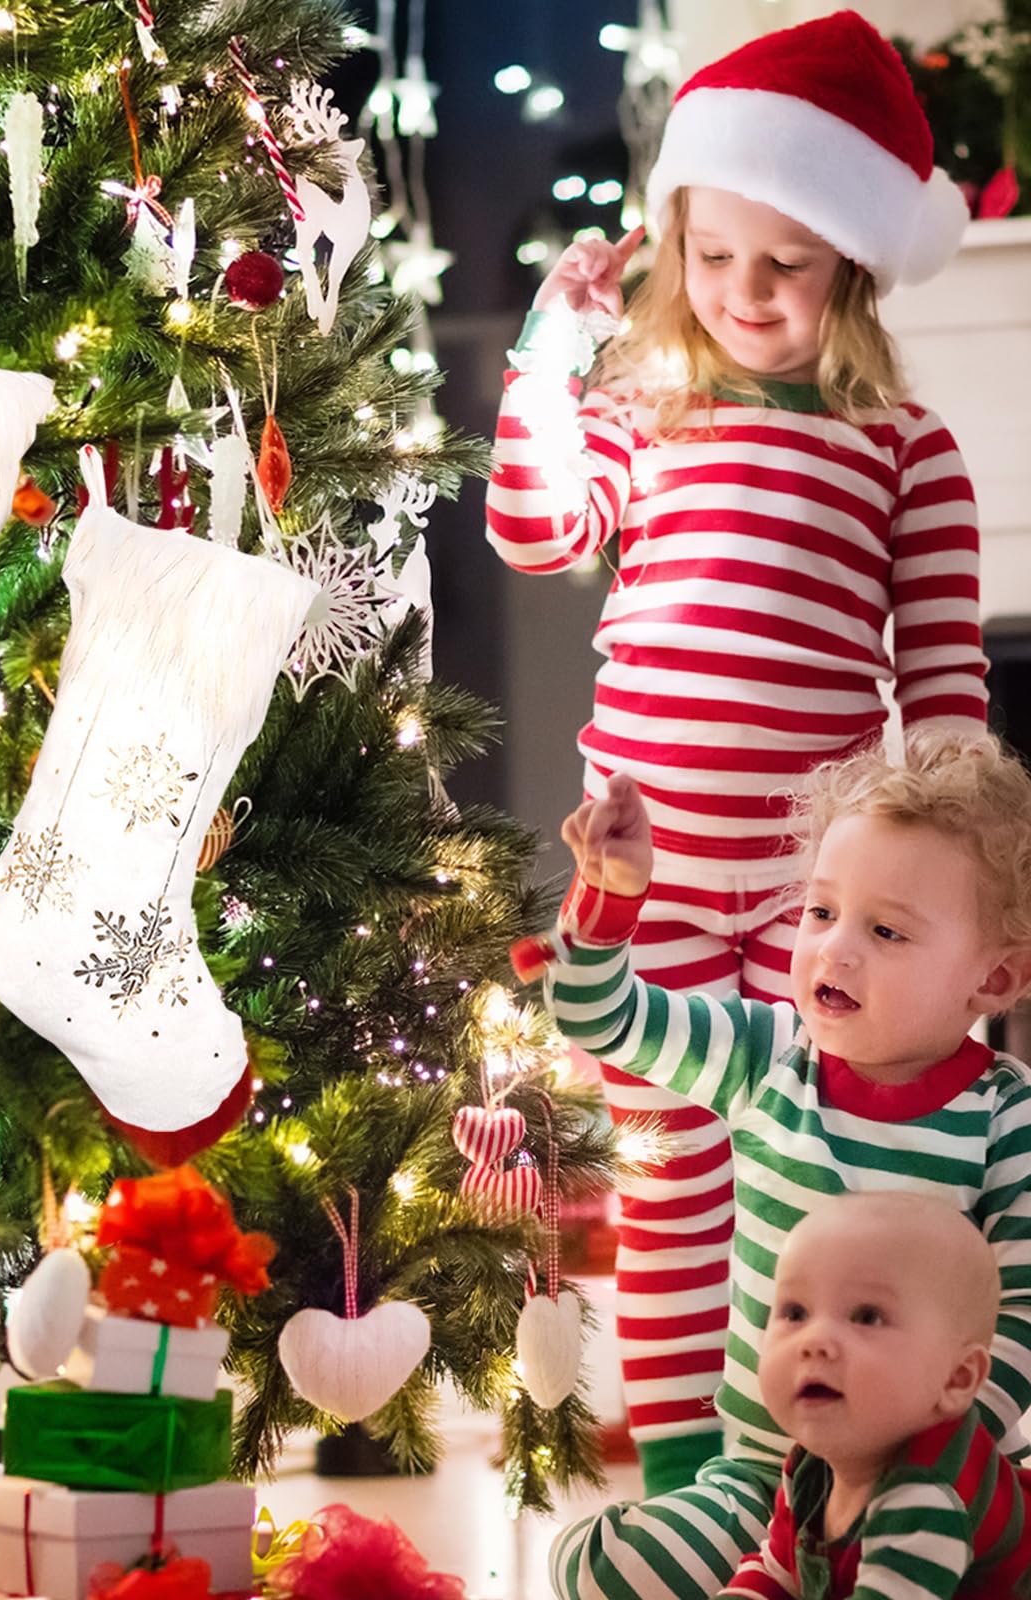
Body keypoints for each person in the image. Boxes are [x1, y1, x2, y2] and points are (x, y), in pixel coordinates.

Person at [485, 9, 985, 1498]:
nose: (747, 292)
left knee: (809, 1175)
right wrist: (547, 353)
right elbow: (534, 528)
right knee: (673, 1182)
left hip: (814, 900)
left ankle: (815, 1464)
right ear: (671, 244)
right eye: (714, 258)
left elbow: (947, 690)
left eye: (787, 262)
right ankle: (696, 1479)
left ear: (851, 264)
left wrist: (970, 887)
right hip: (647, 876)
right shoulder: (649, 411)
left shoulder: (904, 445)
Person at [534, 729, 1031, 1600]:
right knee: (597, 1564)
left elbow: (1022, 1311)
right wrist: (609, 903)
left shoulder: (1006, 1119)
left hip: (934, 1476)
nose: (835, 950)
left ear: (992, 981)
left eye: (885, 931)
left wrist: (948, 1443)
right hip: (763, 1476)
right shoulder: (766, 1058)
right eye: (820, 912)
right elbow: (600, 1017)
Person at [719, 1192, 1030, 1598]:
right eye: (795, 1313)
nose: (815, 1341)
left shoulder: (929, 1495)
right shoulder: (812, 1466)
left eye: (867, 1316)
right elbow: (778, 1568)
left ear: (956, 1379)